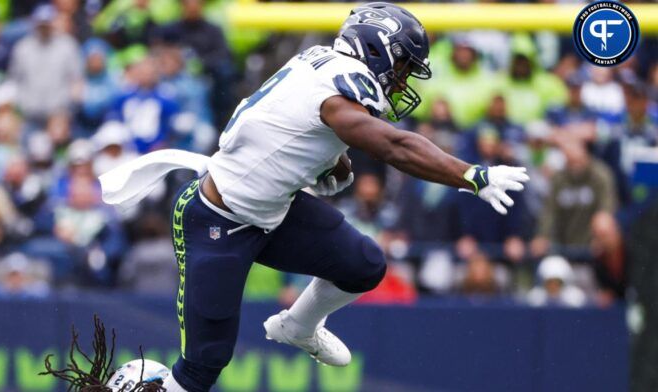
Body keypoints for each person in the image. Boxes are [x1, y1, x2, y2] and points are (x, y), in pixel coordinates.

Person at [106, 4, 528, 391]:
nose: (401, 79)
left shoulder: (320, 64)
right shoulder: (339, 89)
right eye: (401, 64)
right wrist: (471, 174)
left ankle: (299, 326)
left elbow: (293, 131)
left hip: (272, 210)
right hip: (216, 219)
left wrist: (328, 161)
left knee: (363, 264)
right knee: (203, 366)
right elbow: (393, 147)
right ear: (376, 49)